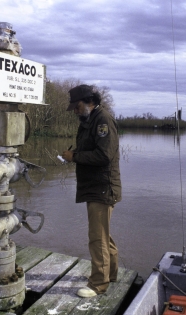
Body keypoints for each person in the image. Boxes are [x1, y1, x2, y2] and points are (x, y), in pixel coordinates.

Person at [61, 84, 122, 298]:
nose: (75, 111)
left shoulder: (103, 120)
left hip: (102, 188)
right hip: (95, 187)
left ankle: (98, 285)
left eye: (76, 107)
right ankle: (111, 274)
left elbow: (104, 155)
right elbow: (92, 149)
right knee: (103, 235)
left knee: (97, 238)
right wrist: (74, 153)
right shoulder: (90, 120)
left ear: (89, 101)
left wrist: (75, 157)